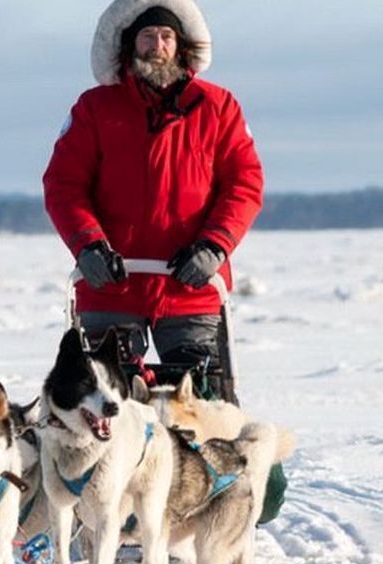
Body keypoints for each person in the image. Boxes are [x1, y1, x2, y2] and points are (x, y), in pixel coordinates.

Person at [44, 0, 263, 372]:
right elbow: (64, 185)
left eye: (166, 37)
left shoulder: (218, 107)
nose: (158, 46)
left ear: (182, 45)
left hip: (191, 286)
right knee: (107, 406)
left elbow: (244, 184)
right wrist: (89, 247)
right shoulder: (94, 109)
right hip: (112, 283)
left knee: (202, 407)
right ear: (129, 44)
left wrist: (214, 245)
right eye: (148, 36)